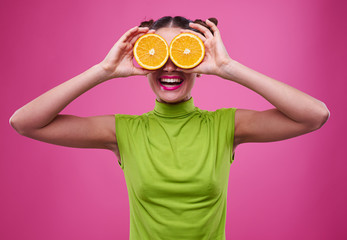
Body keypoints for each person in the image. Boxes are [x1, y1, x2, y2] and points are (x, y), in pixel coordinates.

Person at [9, 16, 329, 240]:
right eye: (158, 54)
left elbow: (314, 116)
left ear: (199, 62)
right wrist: (104, 69)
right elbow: (24, 122)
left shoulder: (226, 126)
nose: (170, 66)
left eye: (182, 53)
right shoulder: (123, 132)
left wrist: (227, 67)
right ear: (145, 62)